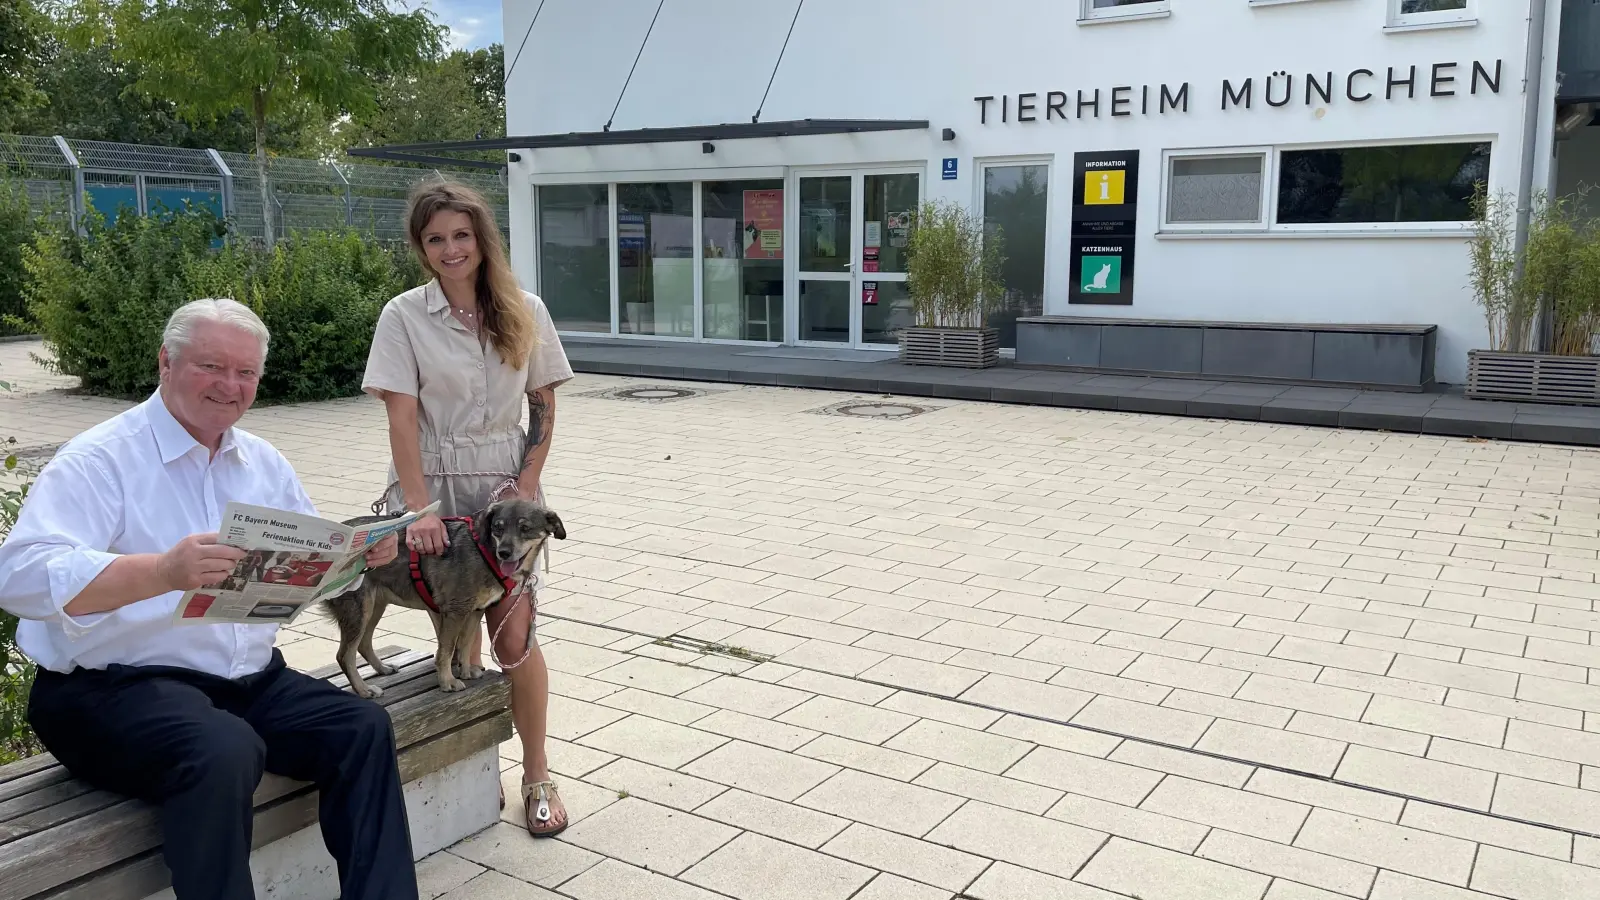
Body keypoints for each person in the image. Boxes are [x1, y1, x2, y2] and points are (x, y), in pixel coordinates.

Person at [0, 299, 417, 900]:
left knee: (361, 726)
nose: (230, 386)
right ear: (166, 363)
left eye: (245, 373)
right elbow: (19, 575)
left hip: (243, 681)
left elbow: (308, 562)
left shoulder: (262, 462)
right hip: (108, 691)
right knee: (224, 750)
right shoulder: (101, 459)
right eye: (211, 366)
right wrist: (162, 571)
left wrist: (356, 561)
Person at [362, 179, 575, 837]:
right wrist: (419, 510)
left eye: (461, 235)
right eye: (435, 239)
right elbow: (402, 420)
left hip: (506, 490)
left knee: (512, 636)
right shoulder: (403, 316)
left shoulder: (525, 308)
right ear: (421, 248)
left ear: (482, 239)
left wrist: (526, 481)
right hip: (433, 487)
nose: (450, 249)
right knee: (452, 630)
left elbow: (542, 403)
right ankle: (465, 769)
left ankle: (536, 772)